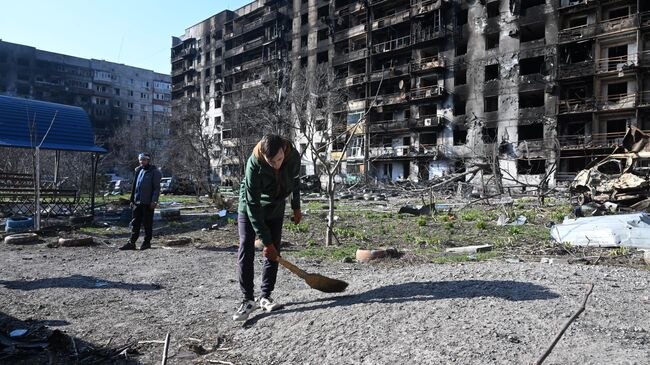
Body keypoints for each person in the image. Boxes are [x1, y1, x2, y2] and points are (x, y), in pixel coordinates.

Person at [233, 134, 302, 321]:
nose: (276, 165)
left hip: (276, 206)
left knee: (274, 250)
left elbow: (295, 180)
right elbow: (253, 206)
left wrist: (296, 206)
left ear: (284, 150)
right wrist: (265, 241)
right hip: (250, 207)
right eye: (271, 162)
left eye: (279, 160)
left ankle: (265, 296)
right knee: (246, 245)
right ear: (263, 156)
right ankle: (247, 299)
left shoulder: (293, 155)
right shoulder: (253, 164)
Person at [119, 152, 162, 251]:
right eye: (140, 160)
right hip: (137, 202)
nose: (142, 161)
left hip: (148, 202)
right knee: (135, 223)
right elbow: (134, 186)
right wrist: (132, 200)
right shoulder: (139, 170)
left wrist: (154, 201)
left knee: (147, 223)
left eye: (144, 159)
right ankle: (132, 243)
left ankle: (147, 242)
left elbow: (156, 188)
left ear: (148, 160)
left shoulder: (155, 172)